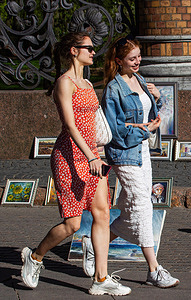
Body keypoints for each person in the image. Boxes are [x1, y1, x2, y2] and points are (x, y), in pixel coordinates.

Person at [21, 32, 131, 296]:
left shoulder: (88, 85)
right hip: (69, 156)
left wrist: (98, 153)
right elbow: (70, 125)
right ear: (73, 51)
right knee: (71, 224)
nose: (93, 52)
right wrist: (90, 156)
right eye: (89, 48)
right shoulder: (65, 83)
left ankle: (101, 278)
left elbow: (93, 124)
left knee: (102, 214)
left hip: (93, 154)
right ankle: (35, 257)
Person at [81, 35, 179, 288]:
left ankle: (95, 244)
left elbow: (147, 114)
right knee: (142, 206)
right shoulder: (114, 89)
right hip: (124, 154)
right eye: (132, 58)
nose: (137, 62)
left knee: (132, 208)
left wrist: (156, 99)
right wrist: (144, 130)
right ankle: (154, 269)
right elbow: (116, 130)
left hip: (142, 150)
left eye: (139, 57)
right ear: (119, 61)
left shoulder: (141, 80)